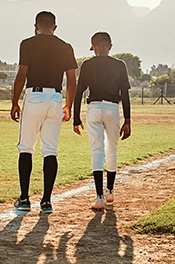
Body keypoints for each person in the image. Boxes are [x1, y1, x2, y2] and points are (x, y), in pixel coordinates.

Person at [10, 11, 77, 213]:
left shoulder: (27, 43)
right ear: (54, 27)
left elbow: (22, 75)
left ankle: (24, 199)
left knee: (26, 147)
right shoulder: (66, 47)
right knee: (50, 150)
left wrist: (14, 102)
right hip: (55, 98)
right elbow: (72, 80)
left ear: (36, 26)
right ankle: (46, 201)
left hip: (35, 96)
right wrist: (69, 105)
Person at [72, 32, 133, 210]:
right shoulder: (119, 65)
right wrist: (128, 120)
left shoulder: (87, 64)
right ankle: (110, 191)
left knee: (96, 151)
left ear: (94, 47)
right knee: (111, 150)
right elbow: (125, 94)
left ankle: (99, 197)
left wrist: (76, 118)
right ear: (110, 46)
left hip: (94, 109)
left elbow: (79, 92)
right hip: (113, 108)